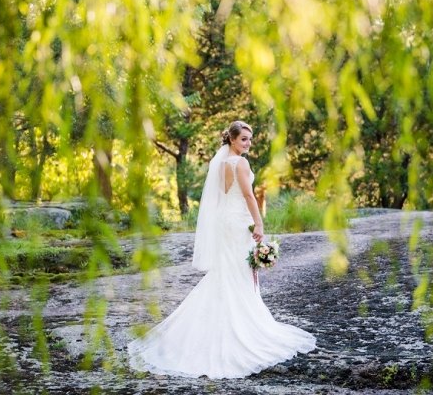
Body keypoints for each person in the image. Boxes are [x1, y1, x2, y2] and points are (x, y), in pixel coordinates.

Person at [127, 120, 316, 379]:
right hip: (239, 222)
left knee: (228, 271)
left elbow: (223, 194)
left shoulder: (220, 162)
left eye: (250, 139)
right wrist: (259, 222)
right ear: (232, 139)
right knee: (238, 272)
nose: (248, 143)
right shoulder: (240, 163)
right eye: (244, 139)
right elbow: (249, 196)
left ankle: (212, 328)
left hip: (227, 219)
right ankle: (240, 329)